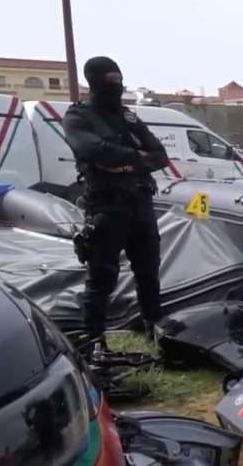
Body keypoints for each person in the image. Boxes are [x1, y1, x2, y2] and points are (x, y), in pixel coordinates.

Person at [62, 56, 169, 343]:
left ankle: (156, 335)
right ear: (94, 82)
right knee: (101, 278)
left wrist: (123, 162)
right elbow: (93, 150)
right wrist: (137, 158)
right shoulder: (78, 117)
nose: (117, 86)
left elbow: (161, 156)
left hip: (141, 204)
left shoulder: (128, 117)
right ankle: (94, 344)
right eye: (111, 81)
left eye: (119, 80)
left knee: (149, 274)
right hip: (106, 206)